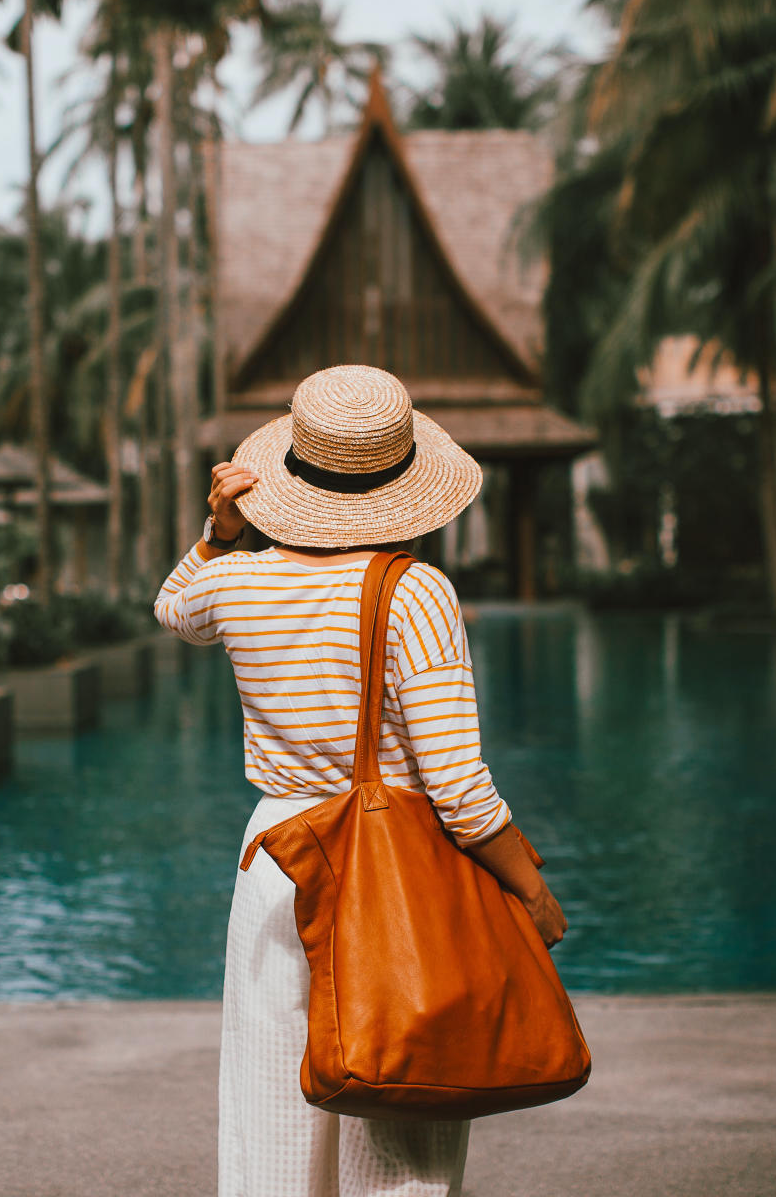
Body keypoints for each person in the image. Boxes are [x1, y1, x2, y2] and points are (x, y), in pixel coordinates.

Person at [153, 364, 567, 1197]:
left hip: (278, 860)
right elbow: (456, 785)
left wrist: (219, 528)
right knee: (400, 1116)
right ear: (403, 482)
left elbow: (174, 608)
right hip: (392, 862)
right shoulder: (414, 593)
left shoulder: (234, 582)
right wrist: (530, 889)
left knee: (271, 1113)